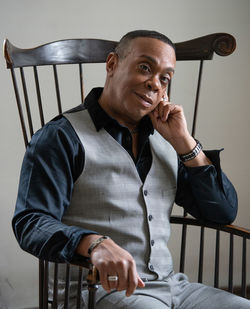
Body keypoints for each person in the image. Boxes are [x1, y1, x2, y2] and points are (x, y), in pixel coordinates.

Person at [12, 30, 250, 308]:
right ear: (112, 64)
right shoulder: (62, 137)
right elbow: (30, 222)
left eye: (165, 78)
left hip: (172, 285)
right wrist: (93, 243)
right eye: (145, 68)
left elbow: (221, 212)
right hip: (94, 290)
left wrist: (185, 143)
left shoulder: (166, 142)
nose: (154, 84)